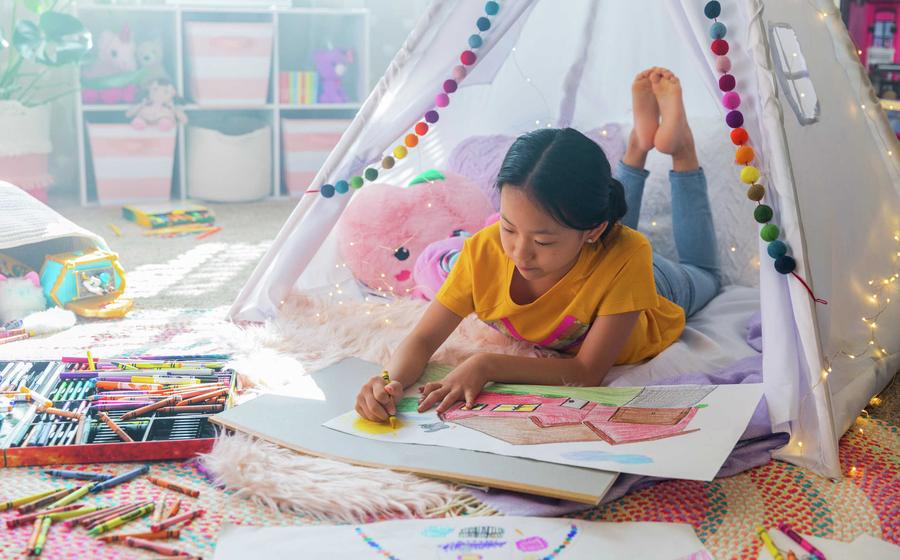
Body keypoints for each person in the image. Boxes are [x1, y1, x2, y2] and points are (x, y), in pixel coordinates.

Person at [355, 67, 720, 422]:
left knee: (706, 274)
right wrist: (388, 382)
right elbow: (421, 339)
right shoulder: (484, 251)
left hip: (658, 289)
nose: (519, 253)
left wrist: (485, 364)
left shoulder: (629, 253)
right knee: (602, 232)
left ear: (592, 231)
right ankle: (637, 146)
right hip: (600, 252)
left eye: (543, 241)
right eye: (509, 228)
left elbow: (587, 371)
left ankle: (681, 150)